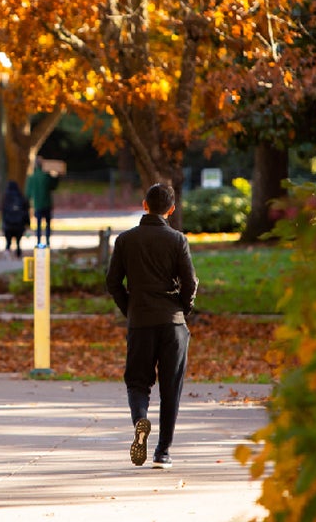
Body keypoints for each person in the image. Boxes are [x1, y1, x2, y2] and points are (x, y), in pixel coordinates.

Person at [105, 182, 198, 469]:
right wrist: (183, 308)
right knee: (171, 387)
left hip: (141, 320)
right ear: (171, 210)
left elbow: (112, 282)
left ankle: (140, 419)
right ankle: (163, 452)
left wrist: (130, 309)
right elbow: (190, 282)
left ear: (144, 205)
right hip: (172, 324)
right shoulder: (177, 240)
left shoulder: (125, 240)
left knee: (137, 381)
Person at [25, 156, 59, 247]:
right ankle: (47, 241)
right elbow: (53, 186)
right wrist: (56, 176)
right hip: (46, 203)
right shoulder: (46, 176)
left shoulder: (32, 177)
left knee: (38, 224)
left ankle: (39, 241)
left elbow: (28, 193)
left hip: (37, 204)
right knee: (48, 224)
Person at [1, 180, 29, 258]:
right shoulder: (21, 197)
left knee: (8, 240)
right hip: (19, 224)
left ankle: (7, 250)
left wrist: (3, 223)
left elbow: (3, 212)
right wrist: (27, 223)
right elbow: (26, 211)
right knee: (18, 240)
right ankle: (18, 251)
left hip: (8, 224)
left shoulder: (6, 198)